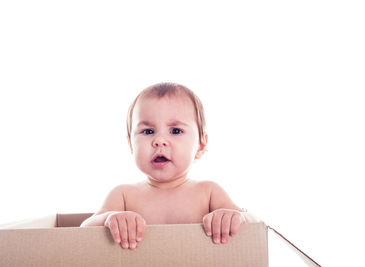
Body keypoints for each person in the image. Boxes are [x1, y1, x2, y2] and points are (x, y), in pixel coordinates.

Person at [80, 82, 258, 250]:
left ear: (201, 145)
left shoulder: (208, 192)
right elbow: (84, 229)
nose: (159, 141)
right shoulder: (123, 195)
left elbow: (255, 226)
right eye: (148, 131)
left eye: (176, 131)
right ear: (131, 145)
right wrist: (109, 219)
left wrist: (236, 217)